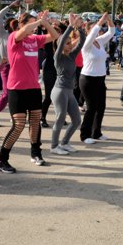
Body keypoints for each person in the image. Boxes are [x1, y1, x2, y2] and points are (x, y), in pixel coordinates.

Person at [0, 10, 59, 173]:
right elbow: (22, 32)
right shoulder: (13, 37)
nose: (34, 27)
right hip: (16, 88)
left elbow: (54, 36)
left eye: (35, 24)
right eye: (31, 23)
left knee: (35, 122)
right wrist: (37, 22)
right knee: (19, 125)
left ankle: (36, 153)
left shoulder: (34, 40)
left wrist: (45, 23)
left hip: (34, 88)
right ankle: (1, 159)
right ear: (22, 24)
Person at [50, 15, 86, 155]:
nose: (69, 44)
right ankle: (54, 146)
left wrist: (80, 28)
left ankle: (64, 143)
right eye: (67, 42)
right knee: (60, 118)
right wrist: (70, 26)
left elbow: (82, 42)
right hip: (59, 91)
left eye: (70, 42)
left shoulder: (72, 55)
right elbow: (62, 40)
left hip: (69, 91)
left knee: (77, 120)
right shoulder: (58, 57)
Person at [79, 12, 115, 144]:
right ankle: (85, 135)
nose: (99, 30)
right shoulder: (86, 44)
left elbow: (111, 32)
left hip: (100, 79)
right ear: (87, 31)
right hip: (87, 79)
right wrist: (100, 22)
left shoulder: (99, 41)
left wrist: (108, 20)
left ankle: (96, 132)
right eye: (95, 28)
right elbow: (94, 33)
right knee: (91, 107)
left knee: (101, 106)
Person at [0, 1, 20, 127]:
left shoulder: (17, 36)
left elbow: (23, 21)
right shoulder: (2, 34)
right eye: (15, 24)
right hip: (5, 66)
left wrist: (22, 9)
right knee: (7, 92)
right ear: (8, 25)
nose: (17, 26)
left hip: (16, 66)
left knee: (16, 92)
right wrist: (10, 6)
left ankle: (14, 115)